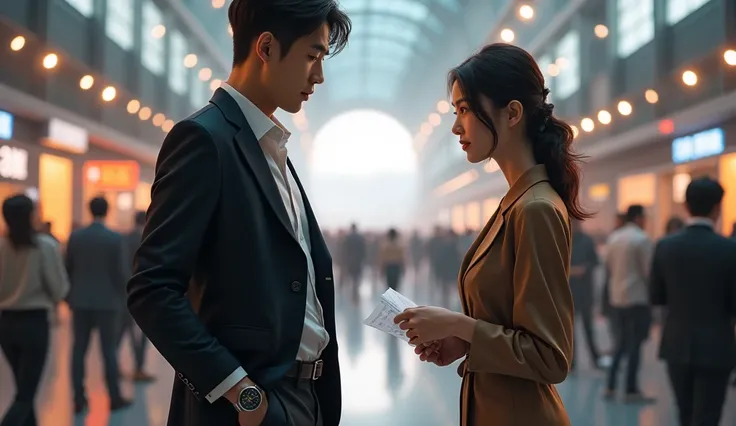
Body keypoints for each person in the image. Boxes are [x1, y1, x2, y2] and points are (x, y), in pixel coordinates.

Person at [126, 1, 351, 425]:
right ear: (266, 47)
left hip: (305, 397)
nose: (318, 76)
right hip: (249, 404)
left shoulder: (270, 147)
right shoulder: (204, 140)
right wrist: (242, 394)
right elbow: (151, 289)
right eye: (311, 56)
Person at [394, 43, 584, 426]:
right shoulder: (515, 203)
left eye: (464, 110)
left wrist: (456, 324)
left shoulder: (535, 209)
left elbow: (550, 356)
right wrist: (464, 343)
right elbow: (511, 327)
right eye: (455, 111)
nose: (455, 126)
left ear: (512, 113)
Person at [650, 177, 736, 426]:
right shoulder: (729, 249)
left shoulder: (665, 246)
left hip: (676, 343)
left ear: (686, 206)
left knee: (684, 413)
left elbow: (657, 297)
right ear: (718, 207)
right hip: (716, 346)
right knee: (707, 417)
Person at [0, 194, 69, 426]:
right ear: (31, 215)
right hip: (34, 324)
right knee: (25, 395)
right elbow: (59, 289)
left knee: (23, 386)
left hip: (5, 324)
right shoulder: (44, 247)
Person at [66, 197, 132, 413]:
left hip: (81, 301)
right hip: (108, 302)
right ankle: (114, 397)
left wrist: (70, 296)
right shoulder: (114, 238)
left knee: (79, 350)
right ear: (107, 211)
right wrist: (123, 297)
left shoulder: (76, 237)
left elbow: (68, 267)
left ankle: (78, 398)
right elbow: (119, 272)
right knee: (109, 352)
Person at [604, 205, 654, 403]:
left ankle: (610, 385)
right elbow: (648, 272)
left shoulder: (614, 238)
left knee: (620, 343)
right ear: (638, 217)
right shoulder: (641, 239)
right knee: (635, 346)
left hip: (617, 298)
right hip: (637, 299)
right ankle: (631, 389)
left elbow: (609, 267)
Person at [117, 210, 154, 382]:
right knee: (143, 333)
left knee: (124, 330)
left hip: (127, 291)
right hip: (144, 293)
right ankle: (139, 368)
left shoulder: (125, 238)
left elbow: (123, 264)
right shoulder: (149, 238)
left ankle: (115, 365)